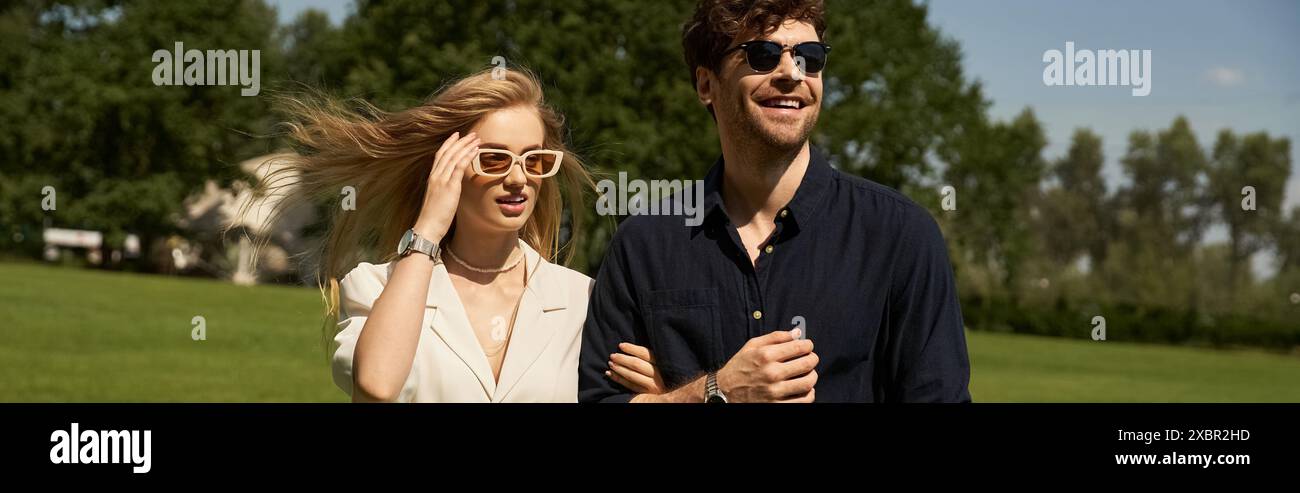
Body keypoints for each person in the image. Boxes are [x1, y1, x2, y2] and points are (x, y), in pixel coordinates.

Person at [579, 0, 971, 403]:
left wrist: (668, 399)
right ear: (706, 85)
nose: (792, 73)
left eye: (810, 57)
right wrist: (714, 391)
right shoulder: (643, 245)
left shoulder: (902, 237)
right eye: (762, 55)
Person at [259, 68, 595, 402]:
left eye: (534, 160)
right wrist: (428, 228)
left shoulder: (583, 299)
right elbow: (376, 386)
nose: (519, 178)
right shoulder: (374, 287)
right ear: (448, 164)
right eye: (495, 159)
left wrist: (649, 394)